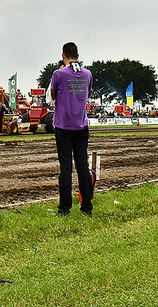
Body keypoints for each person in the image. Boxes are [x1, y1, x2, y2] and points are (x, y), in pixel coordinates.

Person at [50, 42, 95, 216]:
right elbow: (87, 92)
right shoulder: (88, 74)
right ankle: (87, 207)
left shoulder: (58, 74)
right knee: (82, 167)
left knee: (66, 168)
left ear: (63, 56)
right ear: (78, 56)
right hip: (81, 125)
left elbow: (53, 96)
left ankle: (64, 208)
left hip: (63, 126)